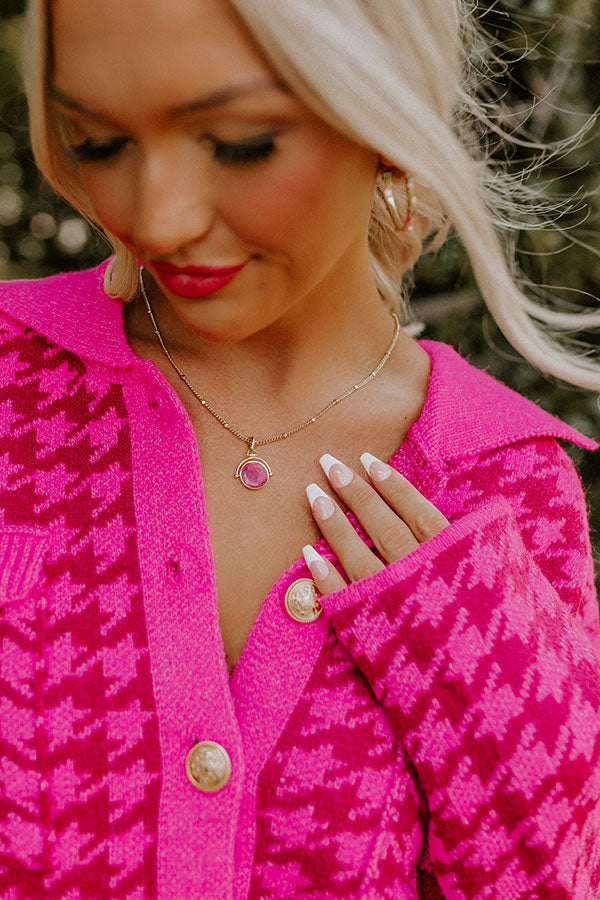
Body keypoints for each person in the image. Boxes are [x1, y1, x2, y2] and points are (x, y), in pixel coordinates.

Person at [1, 0, 599, 897]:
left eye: (239, 143)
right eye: (100, 142)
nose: (157, 220)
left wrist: (470, 665)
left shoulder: (504, 485)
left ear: (386, 117)